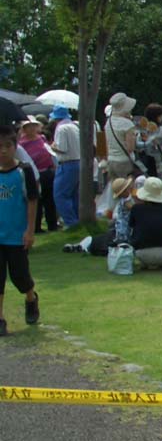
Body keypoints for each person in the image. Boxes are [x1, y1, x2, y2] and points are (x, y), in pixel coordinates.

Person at [0, 124, 40, 335]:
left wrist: (30, 231)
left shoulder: (23, 171)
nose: (3, 151)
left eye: (8, 146)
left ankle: (31, 298)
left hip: (16, 235)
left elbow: (32, 201)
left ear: (15, 147)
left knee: (20, 276)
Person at [129, 177, 162, 270]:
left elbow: (131, 226)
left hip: (141, 251)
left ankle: (145, 262)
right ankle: (161, 262)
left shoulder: (136, 208)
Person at [18, 118, 56, 233]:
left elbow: (49, 151)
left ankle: (52, 225)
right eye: (29, 126)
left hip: (47, 171)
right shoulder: (22, 143)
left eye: (34, 126)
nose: (32, 128)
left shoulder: (42, 138)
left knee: (50, 199)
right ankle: (36, 227)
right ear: (24, 129)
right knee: (36, 200)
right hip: (34, 174)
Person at [49, 106, 80, 228]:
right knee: (73, 195)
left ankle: (70, 223)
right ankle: (76, 219)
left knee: (60, 195)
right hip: (78, 162)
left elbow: (62, 148)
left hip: (67, 164)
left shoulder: (61, 128)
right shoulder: (75, 126)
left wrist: (52, 146)